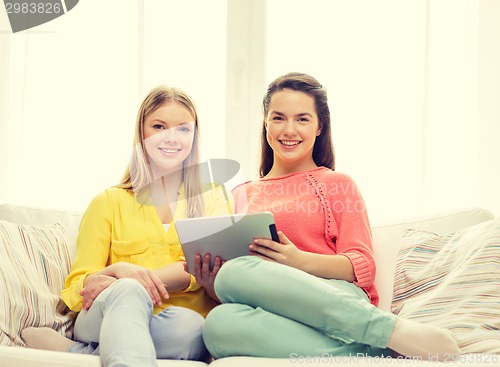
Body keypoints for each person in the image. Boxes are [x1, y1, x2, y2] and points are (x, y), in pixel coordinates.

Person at [201, 72, 460, 361]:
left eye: (302, 119)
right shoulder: (240, 193)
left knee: (236, 272)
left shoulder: (336, 184)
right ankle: (373, 349)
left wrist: (298, 261)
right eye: (278, 118)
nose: (289, 130)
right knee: (217, 323)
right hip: (274, 311)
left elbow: (362, 264)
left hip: (334, 297)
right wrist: (212, 282)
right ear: (265, 123)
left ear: (319, 126)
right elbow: (245, 283)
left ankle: (381, 328)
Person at [21, 85, 231, 366]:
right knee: (129, 292)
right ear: (141, 133)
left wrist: (134, 276)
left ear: (194, 136)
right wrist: (121, 272)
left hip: (177, 320)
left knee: (193, 331)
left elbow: (196, 268)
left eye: (183, 129)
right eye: (158, 126)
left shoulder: (213, 197)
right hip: (107, 310)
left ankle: (75, 352)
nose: (171, 137)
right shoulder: (108, 201)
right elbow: (78, 285)